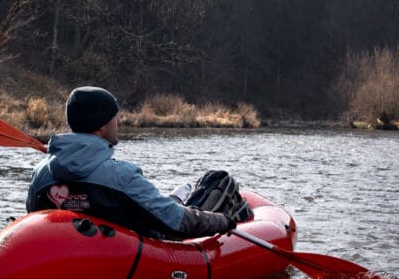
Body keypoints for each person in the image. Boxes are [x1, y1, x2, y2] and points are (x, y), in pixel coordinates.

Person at [26, 86, 251, 238]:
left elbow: (33, 220)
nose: (120, 122)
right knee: (221, 182)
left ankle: (177, 196)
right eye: (115, 116)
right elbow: (176, 222)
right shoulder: (121, 176)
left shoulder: (41, 173)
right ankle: (235, 213)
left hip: (69, 258)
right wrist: (225, 222)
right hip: (131, 257)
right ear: (101, 125)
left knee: (175, 199)